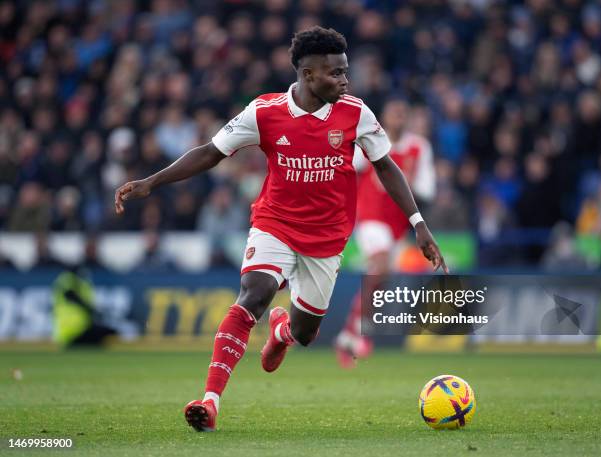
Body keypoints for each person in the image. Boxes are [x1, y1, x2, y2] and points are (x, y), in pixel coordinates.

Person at [114, 26, 446, 432]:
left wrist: (419, 224)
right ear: (307, 75)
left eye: (345, 72)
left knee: (306, 332)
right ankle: (210, 401)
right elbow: (210, 152)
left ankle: (283, 330)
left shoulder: (356, 113)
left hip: (327, 237)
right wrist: (152, 181)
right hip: (275, 223)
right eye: (335, 73)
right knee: (253, 294)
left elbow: (385, 165)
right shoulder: (264, 112)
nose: (345, 80)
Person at [335, 99, 436, 368]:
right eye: (394, 113)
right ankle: (361, 327)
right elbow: (349, 169)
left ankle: (348, 334)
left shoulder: (419, 148)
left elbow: (427, 190)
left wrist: (410, 186)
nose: (399, 119)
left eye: (403, 114)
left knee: (382, 277)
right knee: (379, 266)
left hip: (397, 226)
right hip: (369, 218)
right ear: (385, 117)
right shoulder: (370, 140)